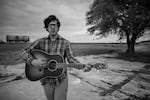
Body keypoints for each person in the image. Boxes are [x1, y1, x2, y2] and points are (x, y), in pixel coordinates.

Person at [19, 15, 92, 100]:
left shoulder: (65, 42)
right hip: (46, 80)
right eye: (50, 25)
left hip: (61, 79)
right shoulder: (40, 42)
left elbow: (71, 58)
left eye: (55, 25)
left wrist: (81, 65)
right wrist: (33, 61)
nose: (53, 27)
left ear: (58, 27)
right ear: (47, 27)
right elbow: (22, 52)